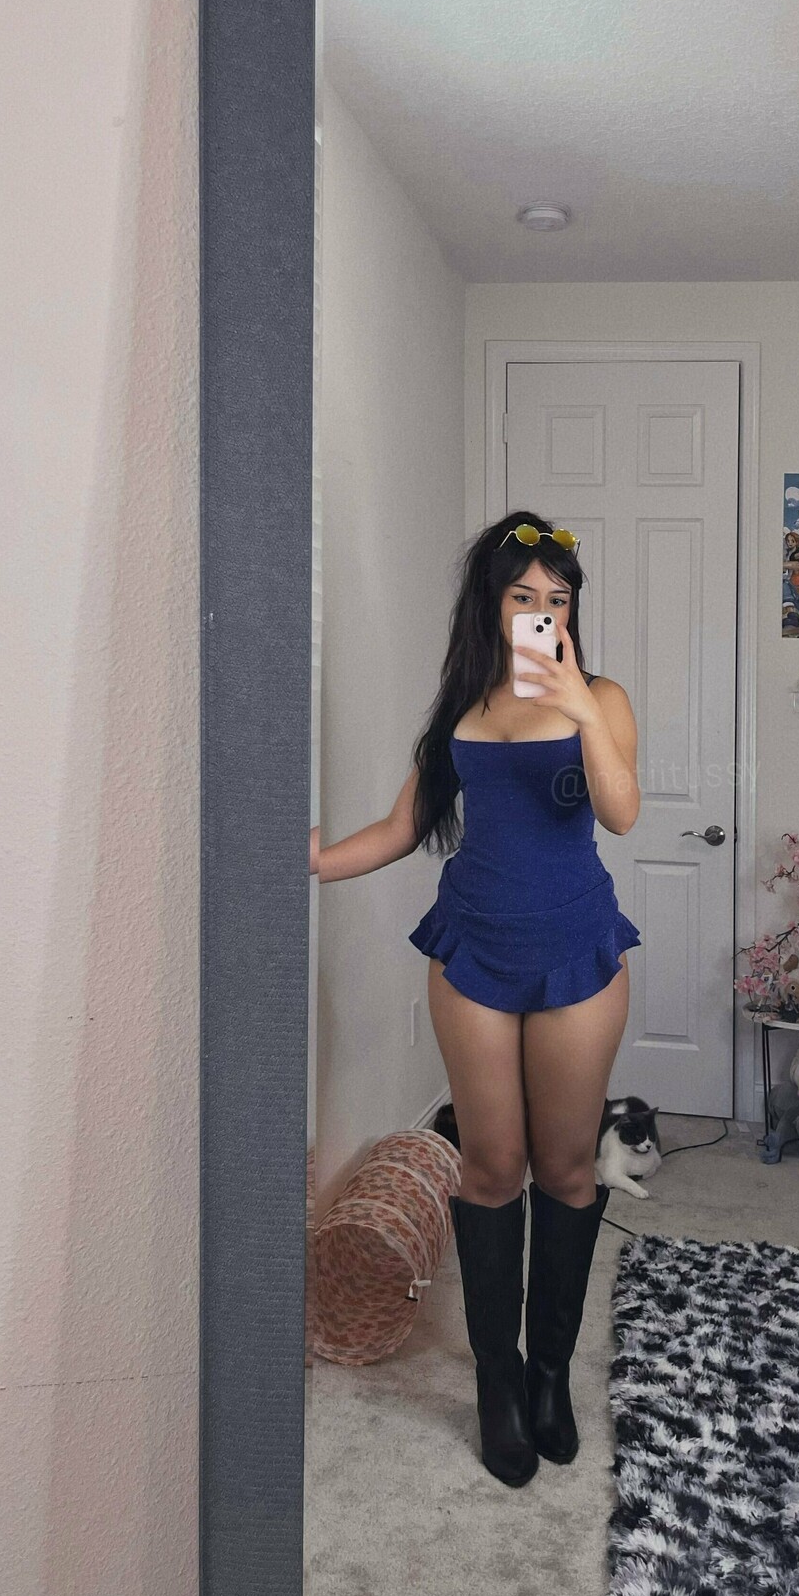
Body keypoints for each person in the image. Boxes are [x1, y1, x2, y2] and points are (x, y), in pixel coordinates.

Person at [309, 512, 642, 1487]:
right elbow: (403, 826)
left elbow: (622, 811)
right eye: (523, 596)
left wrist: (579, 706)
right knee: (493, 1165)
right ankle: (497, 1378)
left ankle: (549, 1375)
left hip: (576, 951)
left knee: (566, 1167)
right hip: (474, 954)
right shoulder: (462, 709)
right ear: (489, 605)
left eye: (557, 599)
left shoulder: (603, 698)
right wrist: (313, 862)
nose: (542, 612)